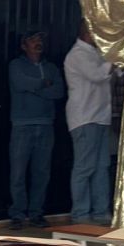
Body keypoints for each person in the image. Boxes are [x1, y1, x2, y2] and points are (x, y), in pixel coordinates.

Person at [7, 29, 64, 229]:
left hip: (46, 124)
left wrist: (34, 89)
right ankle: (17, 214)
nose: (38, 43)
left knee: (42, 173)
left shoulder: (51, 67)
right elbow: (19, 83)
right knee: (18, 172)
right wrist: (43, 84)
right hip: (22, 124)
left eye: (40, 40)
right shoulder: (16, 65)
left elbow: (59, 91)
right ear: (23, 45)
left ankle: (36, 213)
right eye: (32, 40)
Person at [64, 20, 113, 225]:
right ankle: (80, 214)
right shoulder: (77, 54)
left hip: (101, 117)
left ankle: (100, 211)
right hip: (85, 118)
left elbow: (113, 72)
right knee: (84, 167)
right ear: (88, 32)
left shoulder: (96, 53)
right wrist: (114, 56)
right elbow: (98, 75)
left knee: (101, 166)